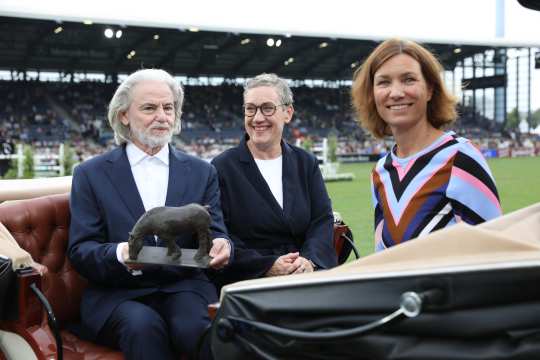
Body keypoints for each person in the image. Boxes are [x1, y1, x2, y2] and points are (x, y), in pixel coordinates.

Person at [68, 68, 232, 360]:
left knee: (195, 328)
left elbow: (216, 231)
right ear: (123, 116)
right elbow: (81, 250)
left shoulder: (202, 171)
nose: (162, 115)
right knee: (143, 328)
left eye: (168, 107)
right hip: (117, 293)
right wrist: (122, 254)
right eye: (149, 107)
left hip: (185, 286)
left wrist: (223, 245)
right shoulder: (89, 174)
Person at [351, 38, 502, 252]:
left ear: (430, 89)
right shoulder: (380, 172)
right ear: (372, 94)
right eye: (384, 82)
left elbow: (494, 254)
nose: (396, 92)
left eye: (409, 79)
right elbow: (383, 257)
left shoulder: (460, 158)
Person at [211, 73, 337, 286]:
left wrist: (310, 261)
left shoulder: (305, 162)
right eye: (250, 109)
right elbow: (221, 233)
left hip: (305, 277)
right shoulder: (222, 167)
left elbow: (321, 220)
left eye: (267, 108)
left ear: (287, 113)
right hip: (250, 281)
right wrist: (267, 265)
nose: (257, 118)